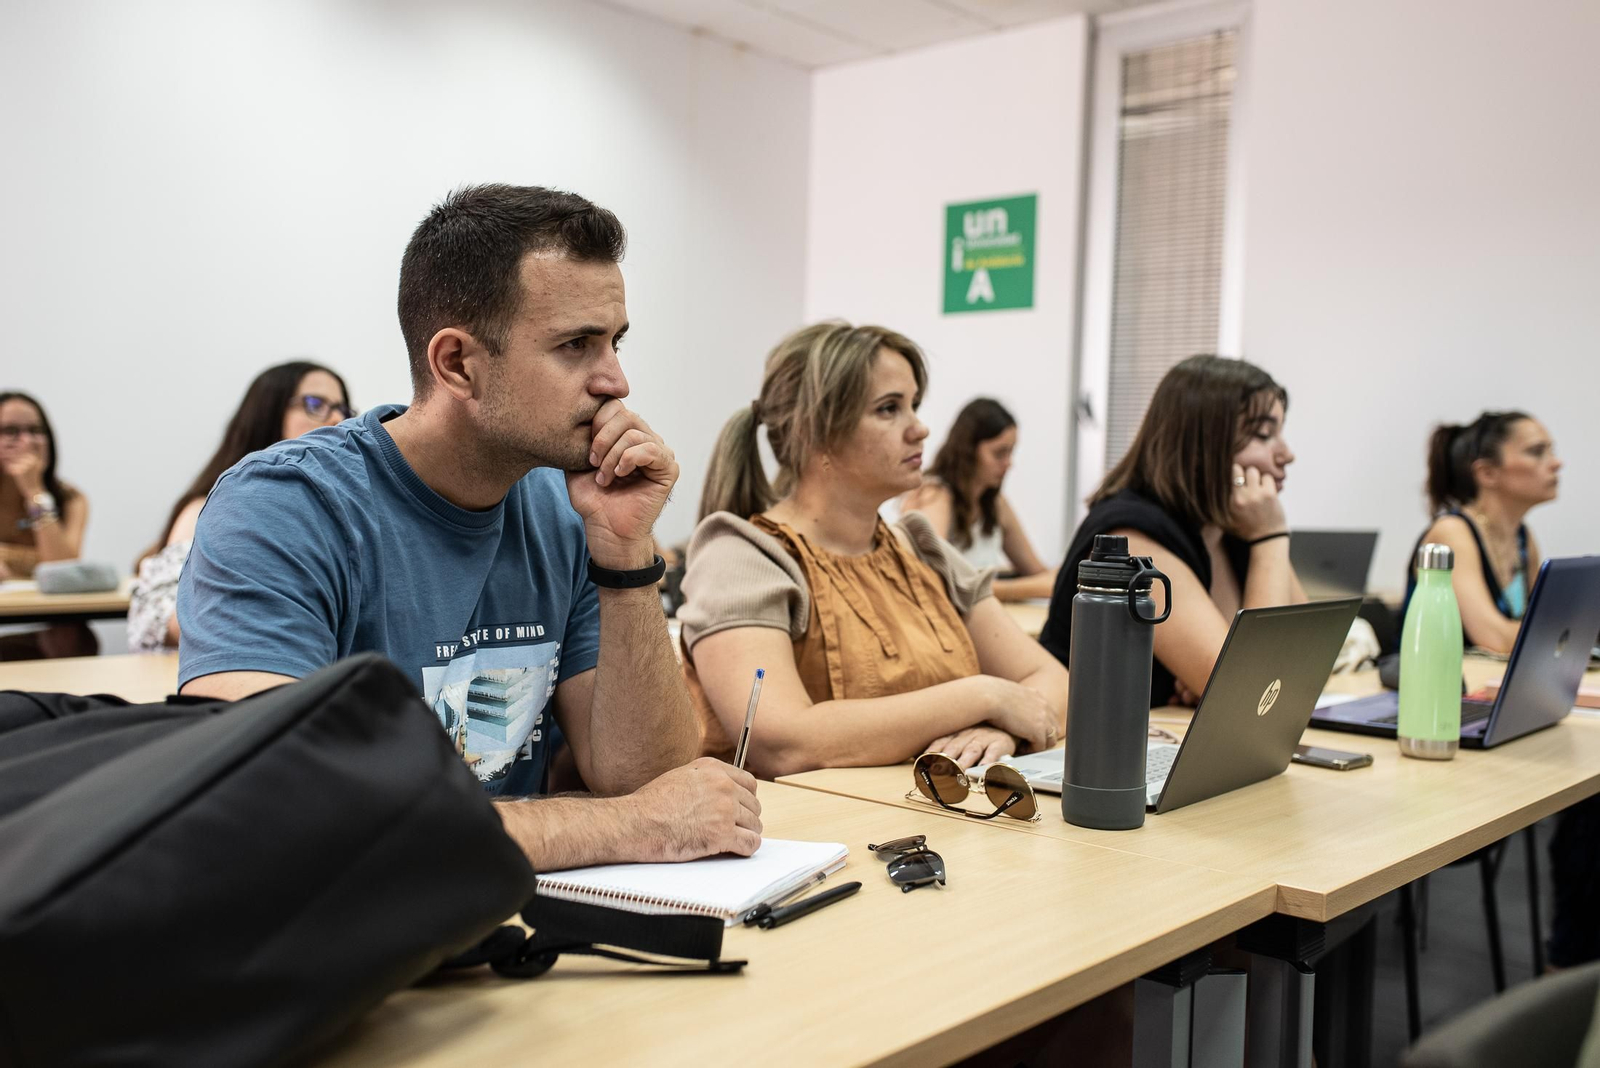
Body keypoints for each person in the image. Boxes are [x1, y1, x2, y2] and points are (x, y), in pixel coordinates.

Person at [176, 184, 760, 870]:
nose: (616, 381)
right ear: (456, 364)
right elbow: (270, 802)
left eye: (615, 342)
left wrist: (626, 552)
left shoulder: (566, 510)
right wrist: (623, 826)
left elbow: (651, 784)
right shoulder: (283, 507)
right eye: (576, 345)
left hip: (506, 904)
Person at [680, 322, 1068, 778]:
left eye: (914, 405)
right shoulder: (743, 557)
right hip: (816, 821)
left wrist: (1001, 732)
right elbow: (781, 742)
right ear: (817, 432)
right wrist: (985, 697)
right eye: (889, 409)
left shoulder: (922, 549)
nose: (920, 428)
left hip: (927, 812)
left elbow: (1055, 683)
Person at [1039, 355, 1305, 706]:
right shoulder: (1132, 537)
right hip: (1080, 736)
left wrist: (1221, 679)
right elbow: (1247, 693)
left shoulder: (1233, 527)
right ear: (1203, 444)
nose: (1287, 454)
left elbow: (1308, 655)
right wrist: (1271, 537)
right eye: (1264, 435)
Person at [127, 361, 354, 652]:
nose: (336, 419)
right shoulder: (206, 508)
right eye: (315, 404)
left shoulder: (341, 510)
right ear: (268, 414)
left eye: (343, 409)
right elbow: (154, 619)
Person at [1406, 411, 1561, 654]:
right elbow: (1493, 638)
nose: (1556, 463)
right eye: (1536, 452)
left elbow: (1539, 624)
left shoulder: (1522, 537)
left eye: (1551, 451)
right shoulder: (1452, 532)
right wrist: (1569, 634)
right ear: (1487, 473)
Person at [901, 397, 1059, 601]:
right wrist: (1027, 588)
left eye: (1010, 452)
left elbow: (1036, 572)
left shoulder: (995, 503)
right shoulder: (935, 495)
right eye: (999, 453)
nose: (1008, 463)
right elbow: (933, 576)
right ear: (968, 450)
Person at [0, 392, 96, 659]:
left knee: (76, 637)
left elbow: (62, 571)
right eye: (10, 431)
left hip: (48, 629)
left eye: (35, 431)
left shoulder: (71, 498)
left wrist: (34, 492)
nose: (26, 441)